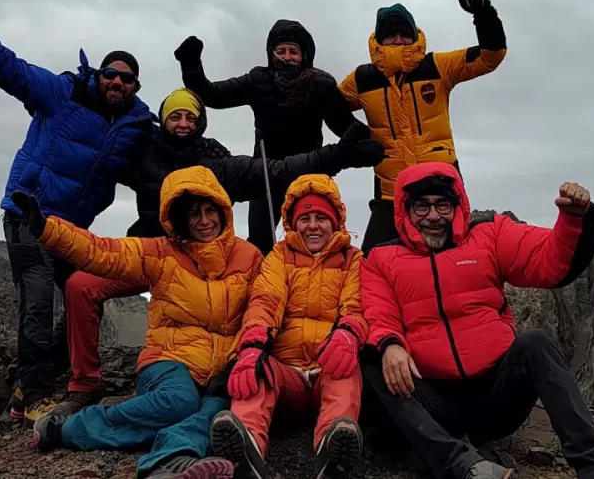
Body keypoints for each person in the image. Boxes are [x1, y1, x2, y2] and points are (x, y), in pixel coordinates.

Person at [58, 88, 383, 417]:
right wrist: (54, 219)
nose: (183, 123)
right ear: (163, 119)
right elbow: (93, 163)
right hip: (149, 253)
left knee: (246, 295)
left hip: (202, 265)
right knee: (80, 286)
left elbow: (274, 170)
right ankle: (84, 383)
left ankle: (231, 366)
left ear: (200, 122)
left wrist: (339, 156)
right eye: (175, 116)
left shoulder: (215, 162)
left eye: (190, 117)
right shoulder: (141, 151)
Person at [0, 0, 154, 423]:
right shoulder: (63, 94)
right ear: (100, 75)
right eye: (110, 73)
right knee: (37, 302)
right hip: (28, 216)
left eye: (126, 77)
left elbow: (164, 162)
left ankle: (31, 381)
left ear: (135, 85)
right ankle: (35, 398)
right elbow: (11, 69)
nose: (116, 81)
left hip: (71, 231)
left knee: (85, 292)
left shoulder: (135, 126)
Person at [360, 162, 594, 479]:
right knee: (373, 361)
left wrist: (574, 218)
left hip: (497, 395)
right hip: (434, 403)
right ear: (404, 210)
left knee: (536, 343)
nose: (433, 216)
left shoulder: (489, 234)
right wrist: (390, 345)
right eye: (420, 206)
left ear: (458, 206)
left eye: (443, 204)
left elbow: (549, 263)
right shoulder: (380, 259)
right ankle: (465, 466)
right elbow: (379, 313)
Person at [12, 167, 265, 479]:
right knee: (179, 400)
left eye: (210, 210)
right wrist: (48, 229)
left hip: (221, 369)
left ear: (223, 211)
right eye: (193, 214)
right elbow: (104, 252)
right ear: (179, 218)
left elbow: (262, 309)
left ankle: (169, 462)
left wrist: (237, 360)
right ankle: (68, 428)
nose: (204, 221)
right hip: (170, 361)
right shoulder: (162, 252)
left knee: (217, 412)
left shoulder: (249, 256)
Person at [210, 175, 366, 479]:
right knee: (257, 370)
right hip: (287, 374)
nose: (312, 226)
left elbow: (357, 306)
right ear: (292, 224)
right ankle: (247, 447)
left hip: (327, 366)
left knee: (346, 370)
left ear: (336, 222)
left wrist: (348, 335)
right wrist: (252, 347)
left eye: (321, 217)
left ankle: (332, 452)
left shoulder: (353, 259)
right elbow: (264, 303)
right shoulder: (279, 256)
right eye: (304, 218)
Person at [338, 0, 507, 251]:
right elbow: (330, 106)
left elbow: (490, 57)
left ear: (415, 35)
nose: (398, 39)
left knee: (453, 258)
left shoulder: (438, 67)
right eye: (390, 34)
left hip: (442, 185)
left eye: (404, 32)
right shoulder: (362, 79)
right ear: (379, 38)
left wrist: (484, 15)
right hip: (390, 192)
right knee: (373, 261)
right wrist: (356, 138)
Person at [174, 20, 363, 253]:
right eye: (281, 51)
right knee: (260, 243)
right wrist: (191, 65)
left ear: (305, 55)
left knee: (313, 239)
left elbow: (344, 125)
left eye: (293, 51)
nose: (287, 57)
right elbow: (213, 95)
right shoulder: (258, 80)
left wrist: (371, 141)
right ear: (271, 54)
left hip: (309, 173)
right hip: (264, 175)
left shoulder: (321, 84)